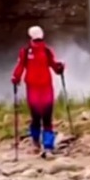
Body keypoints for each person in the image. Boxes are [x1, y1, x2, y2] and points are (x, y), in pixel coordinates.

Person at [11, 25, 65, 156]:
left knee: (41, 117)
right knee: (42, 118)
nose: (38, 42)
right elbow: (21, 66)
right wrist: (16, 76)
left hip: (40, 89)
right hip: (39, 88)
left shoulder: (42, 51)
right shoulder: (32, 51)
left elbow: (52, 64)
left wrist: (15, 78)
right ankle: (42, 143)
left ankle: (42, 143)